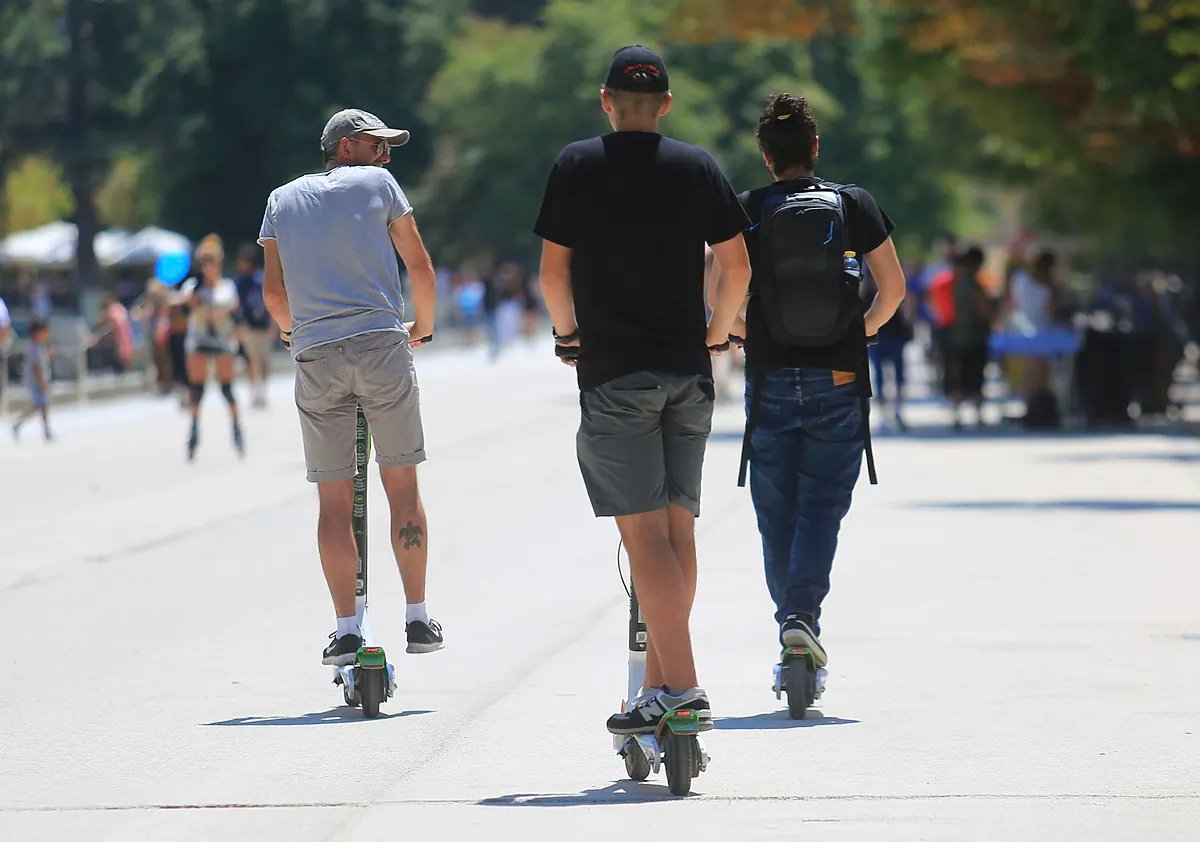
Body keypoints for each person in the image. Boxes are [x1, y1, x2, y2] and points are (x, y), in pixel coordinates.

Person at [535, 45, 752, 734]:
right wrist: (717, 334)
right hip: (687, 371)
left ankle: (683, 689)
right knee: (676, 529)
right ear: (665, 103)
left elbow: (552, 275)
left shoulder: (576, 165)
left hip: (616, 370)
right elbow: (738, 266)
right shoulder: (697, 167)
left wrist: (568, 336)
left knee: (643, 537)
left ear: (605, 101)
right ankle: (658, 686)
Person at [259, 107, 444, 665]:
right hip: (381, 347)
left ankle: (346, 629)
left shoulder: (280, 200)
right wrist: (425, 328)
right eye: (376, 145)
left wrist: (297, 334)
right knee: (403, 488)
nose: (386, 156)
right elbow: (421, 268)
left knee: (334, 500)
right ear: (344, 148)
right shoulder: (380, 185)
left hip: (316, 354)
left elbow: (273, 294)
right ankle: (417, 618)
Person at [733, 93, 905, 672]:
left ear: (766, 157)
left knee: (774, 508)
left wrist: (741, 333)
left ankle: (791, 620)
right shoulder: (852, 203)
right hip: (839, 376)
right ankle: (803, 615)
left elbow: (721, 297)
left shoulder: (747, 209)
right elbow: (893, 289)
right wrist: (864, 331)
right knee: (822, 505)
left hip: (771, 377)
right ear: (814, 147)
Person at [182, 236, 245, 460]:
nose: (207, 266)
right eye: (203, 261)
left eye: (211, 261)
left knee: (226, 388)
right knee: (197, 389)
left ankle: (237, 428)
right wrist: (199, 290)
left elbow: (232, 310)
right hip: (198, 341)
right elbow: (187, 306)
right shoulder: (193, 287)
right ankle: (194, 430)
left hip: (222, 342)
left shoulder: (226, 287)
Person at [945, 245, 994, 429]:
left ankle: (956, 415)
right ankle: (978, 414)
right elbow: (984, 310)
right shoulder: (973, 284)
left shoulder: (952, 282)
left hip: (954, 335)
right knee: (976, 376)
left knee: (957, 376)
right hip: (974, 336)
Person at [233, 243, 274, 408]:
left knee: (263, 359)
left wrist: (273, 325)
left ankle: (262, 391)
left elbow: (269, 302)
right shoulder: (239, 282)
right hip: (248, 326)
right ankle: (254, 390)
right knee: (251, 360)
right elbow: (237, 307)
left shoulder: (260, 279)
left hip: (262, 324)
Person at [12, 321, 54, 442]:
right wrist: (42, 384)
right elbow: (37, 368)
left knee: (41, 406)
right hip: (36, 383)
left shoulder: (38, 346)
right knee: (40, 405)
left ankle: (45, 431)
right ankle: (19, 424)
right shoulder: (33, 348)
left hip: (39, 382)